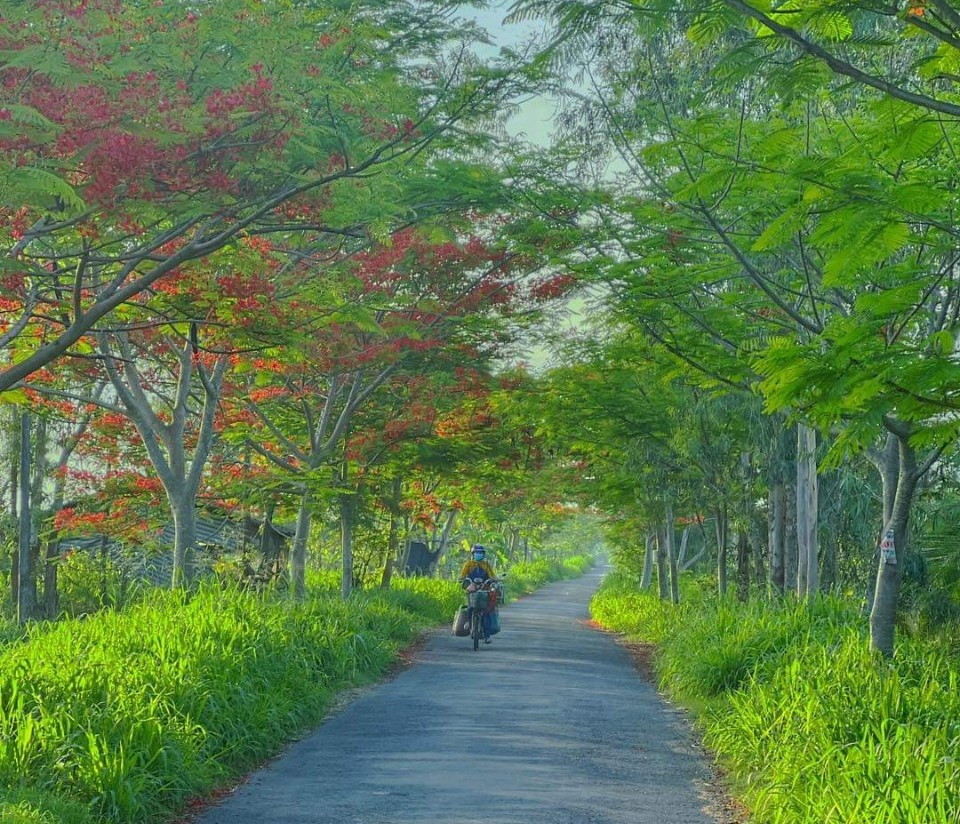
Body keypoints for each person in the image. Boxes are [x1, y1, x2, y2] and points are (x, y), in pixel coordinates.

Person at [460, 544, 497, 643]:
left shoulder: (486, 565)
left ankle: (487, 635)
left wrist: (493, 580)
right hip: (472, 588)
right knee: (470, 607)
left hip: (484, 588)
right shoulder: (469, 564)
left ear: (483, 554)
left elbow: (491, 575)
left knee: (486, 612)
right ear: (473, 554)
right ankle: (468, 622)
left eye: (480, 553)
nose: (478, 554)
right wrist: (462, 579)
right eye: (477, 553)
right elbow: (463, 574)